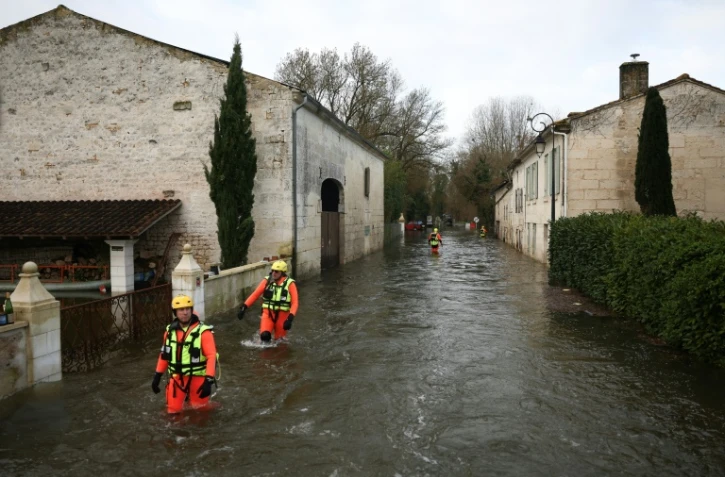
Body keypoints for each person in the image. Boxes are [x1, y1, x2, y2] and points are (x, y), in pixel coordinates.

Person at [151, 295, 217, 414]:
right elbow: (164, 355)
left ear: (192, 310)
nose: (185, 312)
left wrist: (208, 380)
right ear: (175, 312)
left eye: (188, 309)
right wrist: (157, 376)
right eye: (181, 309)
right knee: (172, 413)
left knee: (200, 412)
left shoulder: (204, 332)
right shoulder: (169, 332)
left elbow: (211, 356)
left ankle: (212, 407)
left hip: (198, 378)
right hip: (177, 379)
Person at [237, 260, 299, 342]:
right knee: (264, 336)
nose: (274, 273)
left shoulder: (290, 284)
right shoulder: (267, 281)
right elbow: (255, 294)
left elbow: (295, 303)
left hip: (283, 315)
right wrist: (244, 307)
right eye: (272, 271)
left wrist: (290, 319)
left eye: (276, 271)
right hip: (268, 313)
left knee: (280, 341)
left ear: (283, 273)